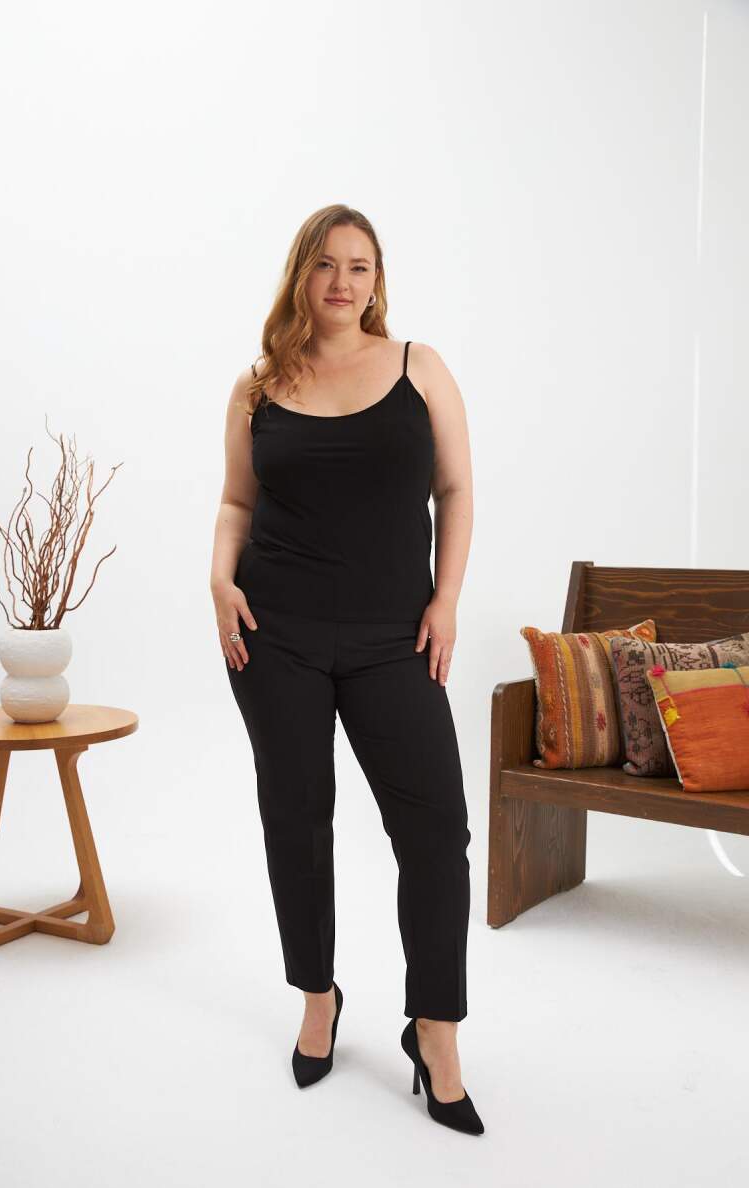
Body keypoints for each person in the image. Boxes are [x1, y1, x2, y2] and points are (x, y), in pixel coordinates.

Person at [209, 204, 482, 1135]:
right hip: (273, 633)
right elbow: (236, 502)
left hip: (395, 637)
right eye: (326, 265)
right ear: (302, 274)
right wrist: (218, 579)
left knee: (435, 832)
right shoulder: (257, 386)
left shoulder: (418, 368)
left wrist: (446, 599)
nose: (342, 282)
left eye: (359, 267)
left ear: (377, 280)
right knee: (297, 821)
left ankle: (435, 1030)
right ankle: (317, 998)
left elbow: (456, 489)